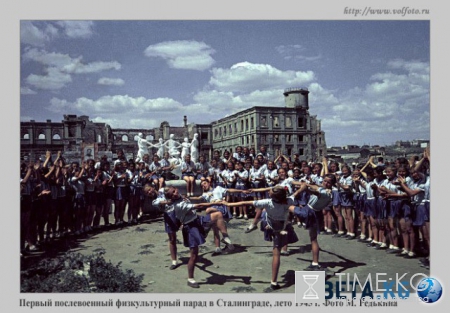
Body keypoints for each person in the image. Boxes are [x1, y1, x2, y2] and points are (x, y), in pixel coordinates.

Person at [223, 186, 299, 291]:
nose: (269, 192)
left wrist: (228, 204)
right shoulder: (288, 200)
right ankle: (274, 282)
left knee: (276, 252)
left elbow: (246, 203)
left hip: (271, 225)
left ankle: (274, 281)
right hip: (281, 226)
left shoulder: (267, 202)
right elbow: (299, 191)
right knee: (277, 251)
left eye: (270, 192)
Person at [163, 186, 234, 288]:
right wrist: (217, 203)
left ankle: (226, 239)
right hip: (190, 228)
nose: (175, 193)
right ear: (171, 198)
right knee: (194, 255)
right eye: (172, 194)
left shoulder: (181, 197)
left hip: (198, 220)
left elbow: (196, 199)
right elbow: (199, 205)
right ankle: (190, 279)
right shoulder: (178, 205)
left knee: (218, 215)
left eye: (174, 190)